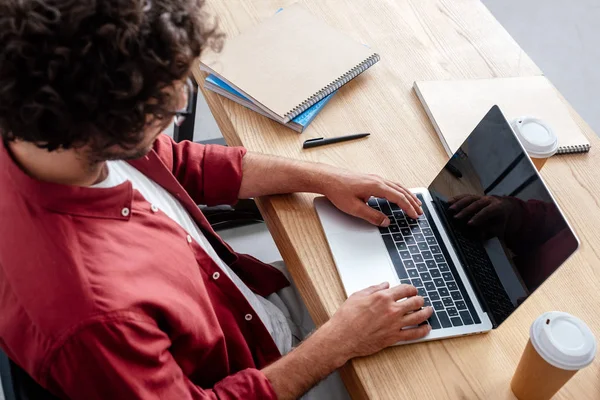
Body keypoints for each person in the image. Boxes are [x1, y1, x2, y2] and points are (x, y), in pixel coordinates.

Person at [0, 1, 433, 399]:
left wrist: (325, 177)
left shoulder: (45, 137)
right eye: (166, 96)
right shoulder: (96, 318)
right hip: (259, 373)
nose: (183, 102)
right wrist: (338, 343)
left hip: (245, 307)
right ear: (105, 121)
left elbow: (183, 164)